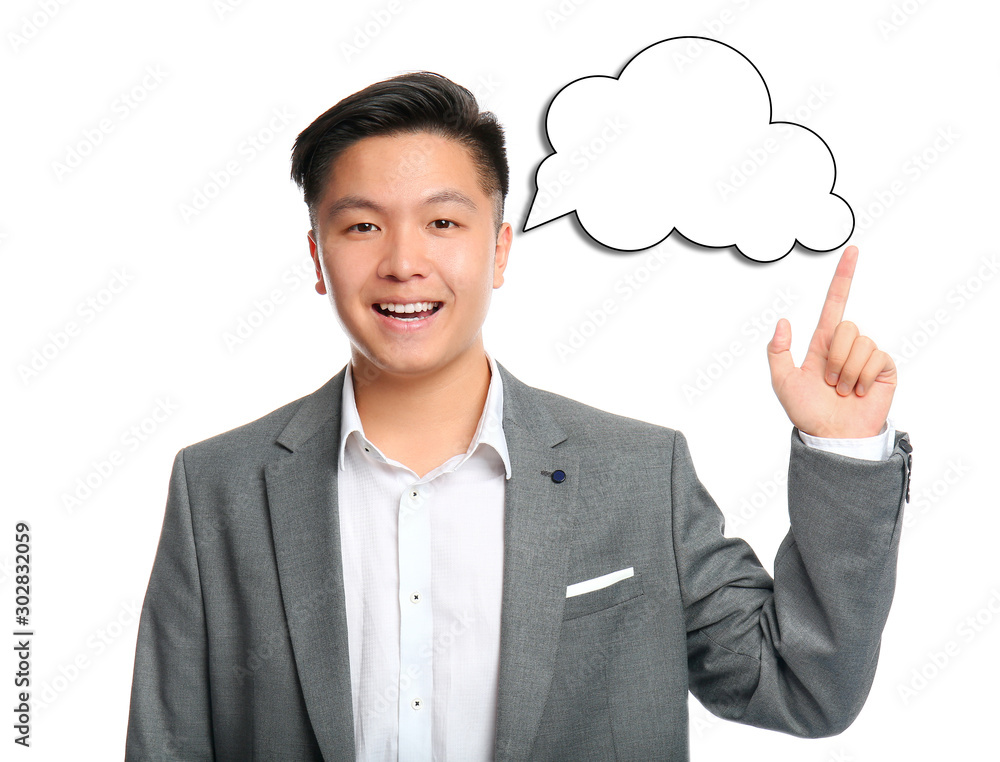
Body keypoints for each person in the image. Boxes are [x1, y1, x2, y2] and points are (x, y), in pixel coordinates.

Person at [125, 71, 912, 761]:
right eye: (362, 225)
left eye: (443, 222)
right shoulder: (217, 488)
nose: (404, 260)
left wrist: (841, 453)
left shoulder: (638, 475)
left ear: (500, 250)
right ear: (318, 258)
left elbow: (804, 684)